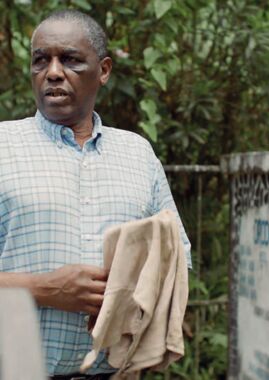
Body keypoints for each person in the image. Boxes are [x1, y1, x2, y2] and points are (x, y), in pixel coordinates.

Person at [0, 9, 191, 379]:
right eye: (41, 61)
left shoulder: (137, 154)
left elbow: (177, 258)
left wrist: (127, 296)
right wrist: (42, 289)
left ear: (103, 70)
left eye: (70, 59)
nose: (53, 72)